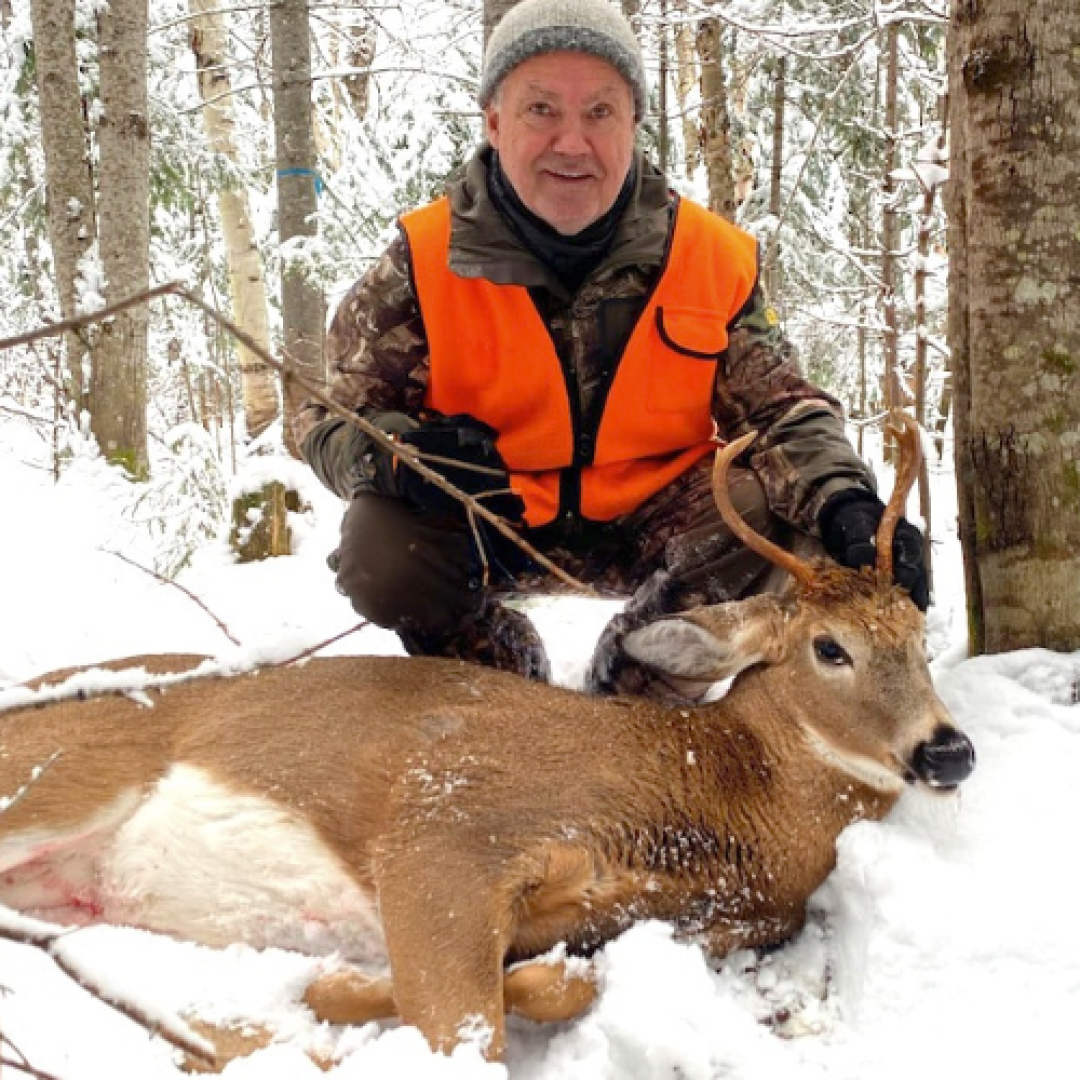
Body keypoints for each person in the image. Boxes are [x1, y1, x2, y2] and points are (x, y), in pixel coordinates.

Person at [294, 0, 928, 696]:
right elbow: (331, 419)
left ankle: (640, 680)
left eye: (600, 112)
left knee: (772, 505)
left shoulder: (708, 257)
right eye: (542, 110)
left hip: (657, 522)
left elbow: (781, 412)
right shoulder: (421, 262)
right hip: (496, 520)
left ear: (634, 125)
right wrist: (396, 457)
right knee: (383, 546)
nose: (572, 143)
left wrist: (848, 504)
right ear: (494, 122)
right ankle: (493, 665)